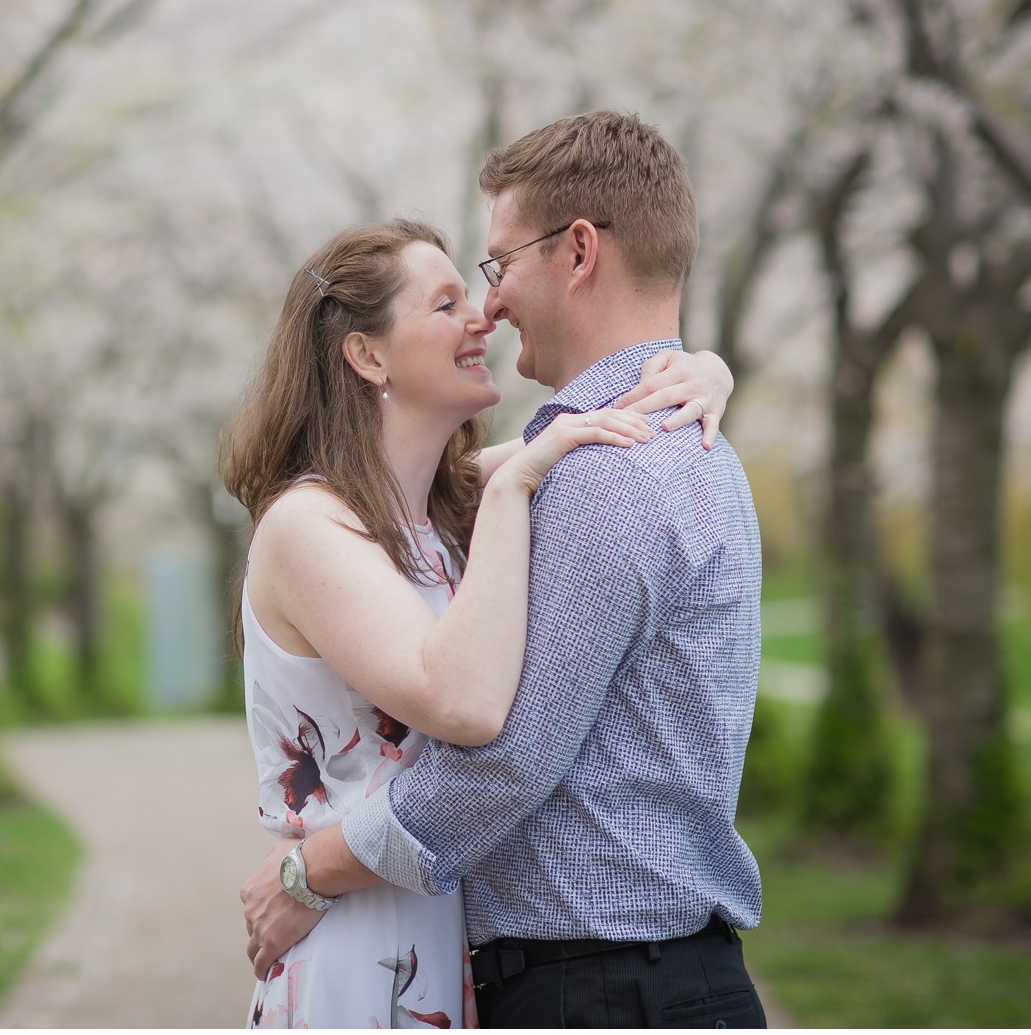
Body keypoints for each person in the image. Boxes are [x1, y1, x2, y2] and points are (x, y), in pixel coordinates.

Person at [239, 110, 766, 1028]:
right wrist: (697, 369)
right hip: (489, 964)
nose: (488, 305)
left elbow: (505, 756)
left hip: (596, 985)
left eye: (494, 267)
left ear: (577, 253)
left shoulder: (589, 473)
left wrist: (309, 869)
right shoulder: (565, 469)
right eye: (451, 299)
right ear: (363, 355)